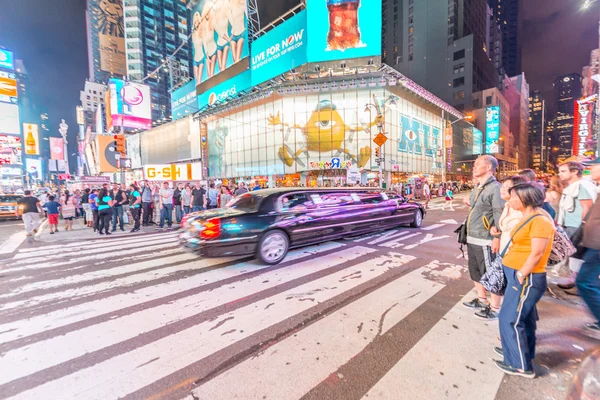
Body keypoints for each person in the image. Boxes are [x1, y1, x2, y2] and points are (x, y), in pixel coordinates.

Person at [495, 182, 555, 378]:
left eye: (514, 197)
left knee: (510, 318)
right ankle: (519, 354)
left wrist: (521, 274)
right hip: (518, 273)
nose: (510, 200)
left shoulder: (540, 221)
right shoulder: (528, 217)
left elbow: (537, 253)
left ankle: (520, 365)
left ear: (526, 198)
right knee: (524, 318)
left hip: (527, 276)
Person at [476, 175, 527, 320]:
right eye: (503, 186)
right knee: (501, 284)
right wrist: (496, 231)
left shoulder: (522, 210)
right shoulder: (507, 206)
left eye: (506, 187)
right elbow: (505, 227)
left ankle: (514, 326)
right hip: (506, 255)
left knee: (514, 293)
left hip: (516, 257)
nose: (502, 189)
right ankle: (500, 313)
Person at [463, 155, 505, 311]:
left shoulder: (495, 188)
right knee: (475, 270)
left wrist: (498, 237)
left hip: (485, 238)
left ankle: (495, 307)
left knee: (491, 272)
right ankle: (481, 299)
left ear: (488, 167)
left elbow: (498, 213)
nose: (474, 167)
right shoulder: (478, 187)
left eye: (477, 164)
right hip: (472, 236)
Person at [557, 161, 598, 291]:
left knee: (577, 255)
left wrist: (584, 226)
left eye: (563, 171)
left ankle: (577, 283)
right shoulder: (573, 187)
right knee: (575, 255)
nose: (559, 174)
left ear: (574, 172)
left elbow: (587, 207)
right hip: (571, 224)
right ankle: (574, 281)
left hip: (577, 226)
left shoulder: (581, 186)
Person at [576, 157, 600, 339]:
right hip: (592, 245)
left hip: (597, 248)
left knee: (585, 282)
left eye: (593, 166)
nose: (589, 169)